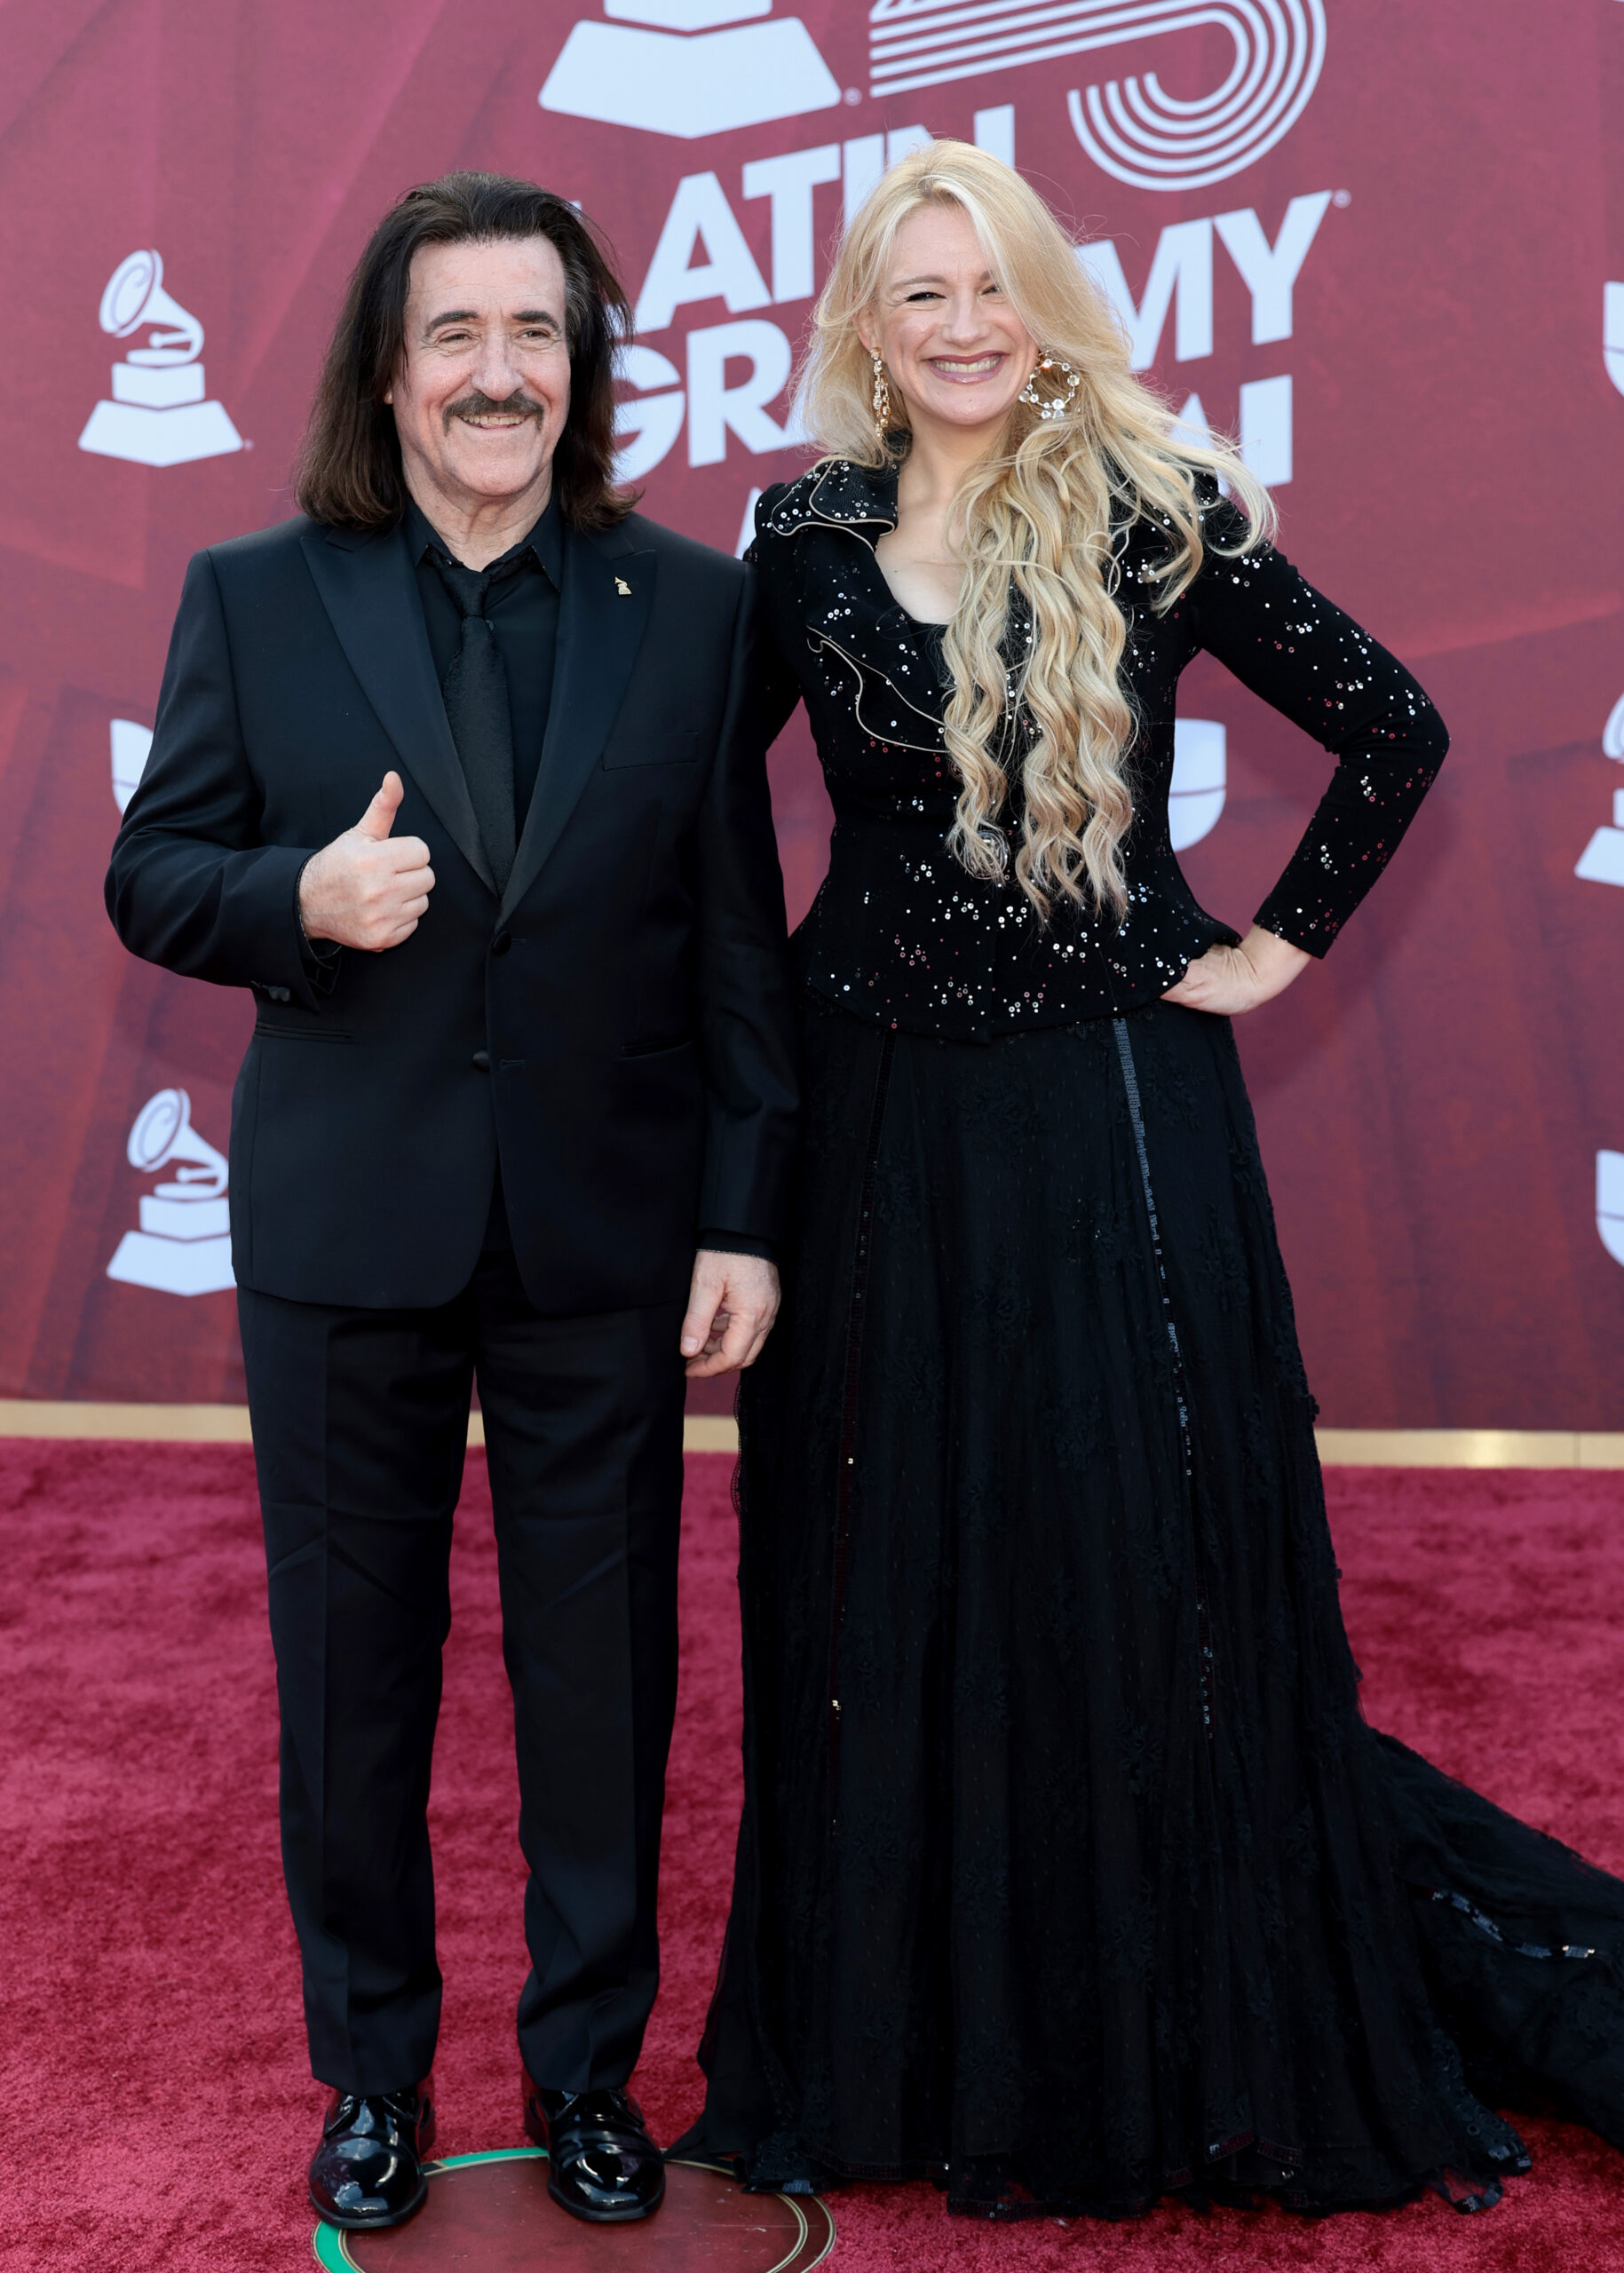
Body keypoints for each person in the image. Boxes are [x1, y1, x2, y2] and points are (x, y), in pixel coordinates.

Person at [680, 142, 1624, 2220]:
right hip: (873, 1127)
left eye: (989, 286)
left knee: (1131, 1562)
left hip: (1113, 1111)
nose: (955, 324)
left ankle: (1154, 2027)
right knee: (887, 1573)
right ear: (859, 320)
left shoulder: (1152, 508)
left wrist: (1264, 948)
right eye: (915, 293)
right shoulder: (801, 531)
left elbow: (1391, 723)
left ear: (1043, 302)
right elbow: (703, 806)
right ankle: (909, 2043)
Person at [106, 171, 796, 2234]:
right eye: (457, 335)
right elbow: (152, 875)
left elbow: (735, 936)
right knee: (353, 1677)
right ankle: (373, 2077)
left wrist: (745, 1211)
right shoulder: (253, 589)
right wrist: (292, 905)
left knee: (605, 1686)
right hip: (346, 1232)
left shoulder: (688, 602)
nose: (499, 371)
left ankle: (587, 2072)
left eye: (538, 334)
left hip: (607, 1231)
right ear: (390, 376)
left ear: (582, 369)